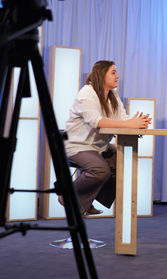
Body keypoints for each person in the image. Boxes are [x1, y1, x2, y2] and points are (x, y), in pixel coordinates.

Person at [63, 60, 151, 216]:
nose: (117, 76)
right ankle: (70, 197)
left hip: (98, 147)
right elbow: (96, 121)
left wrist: (137, 125)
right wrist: (130, 124)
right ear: (102, 75)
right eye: (113, 72)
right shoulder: (87, 93)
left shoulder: (113, 95)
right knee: (100, 169)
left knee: (124, 160)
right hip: (78, 146)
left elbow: (122, 119)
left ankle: (84, 200)